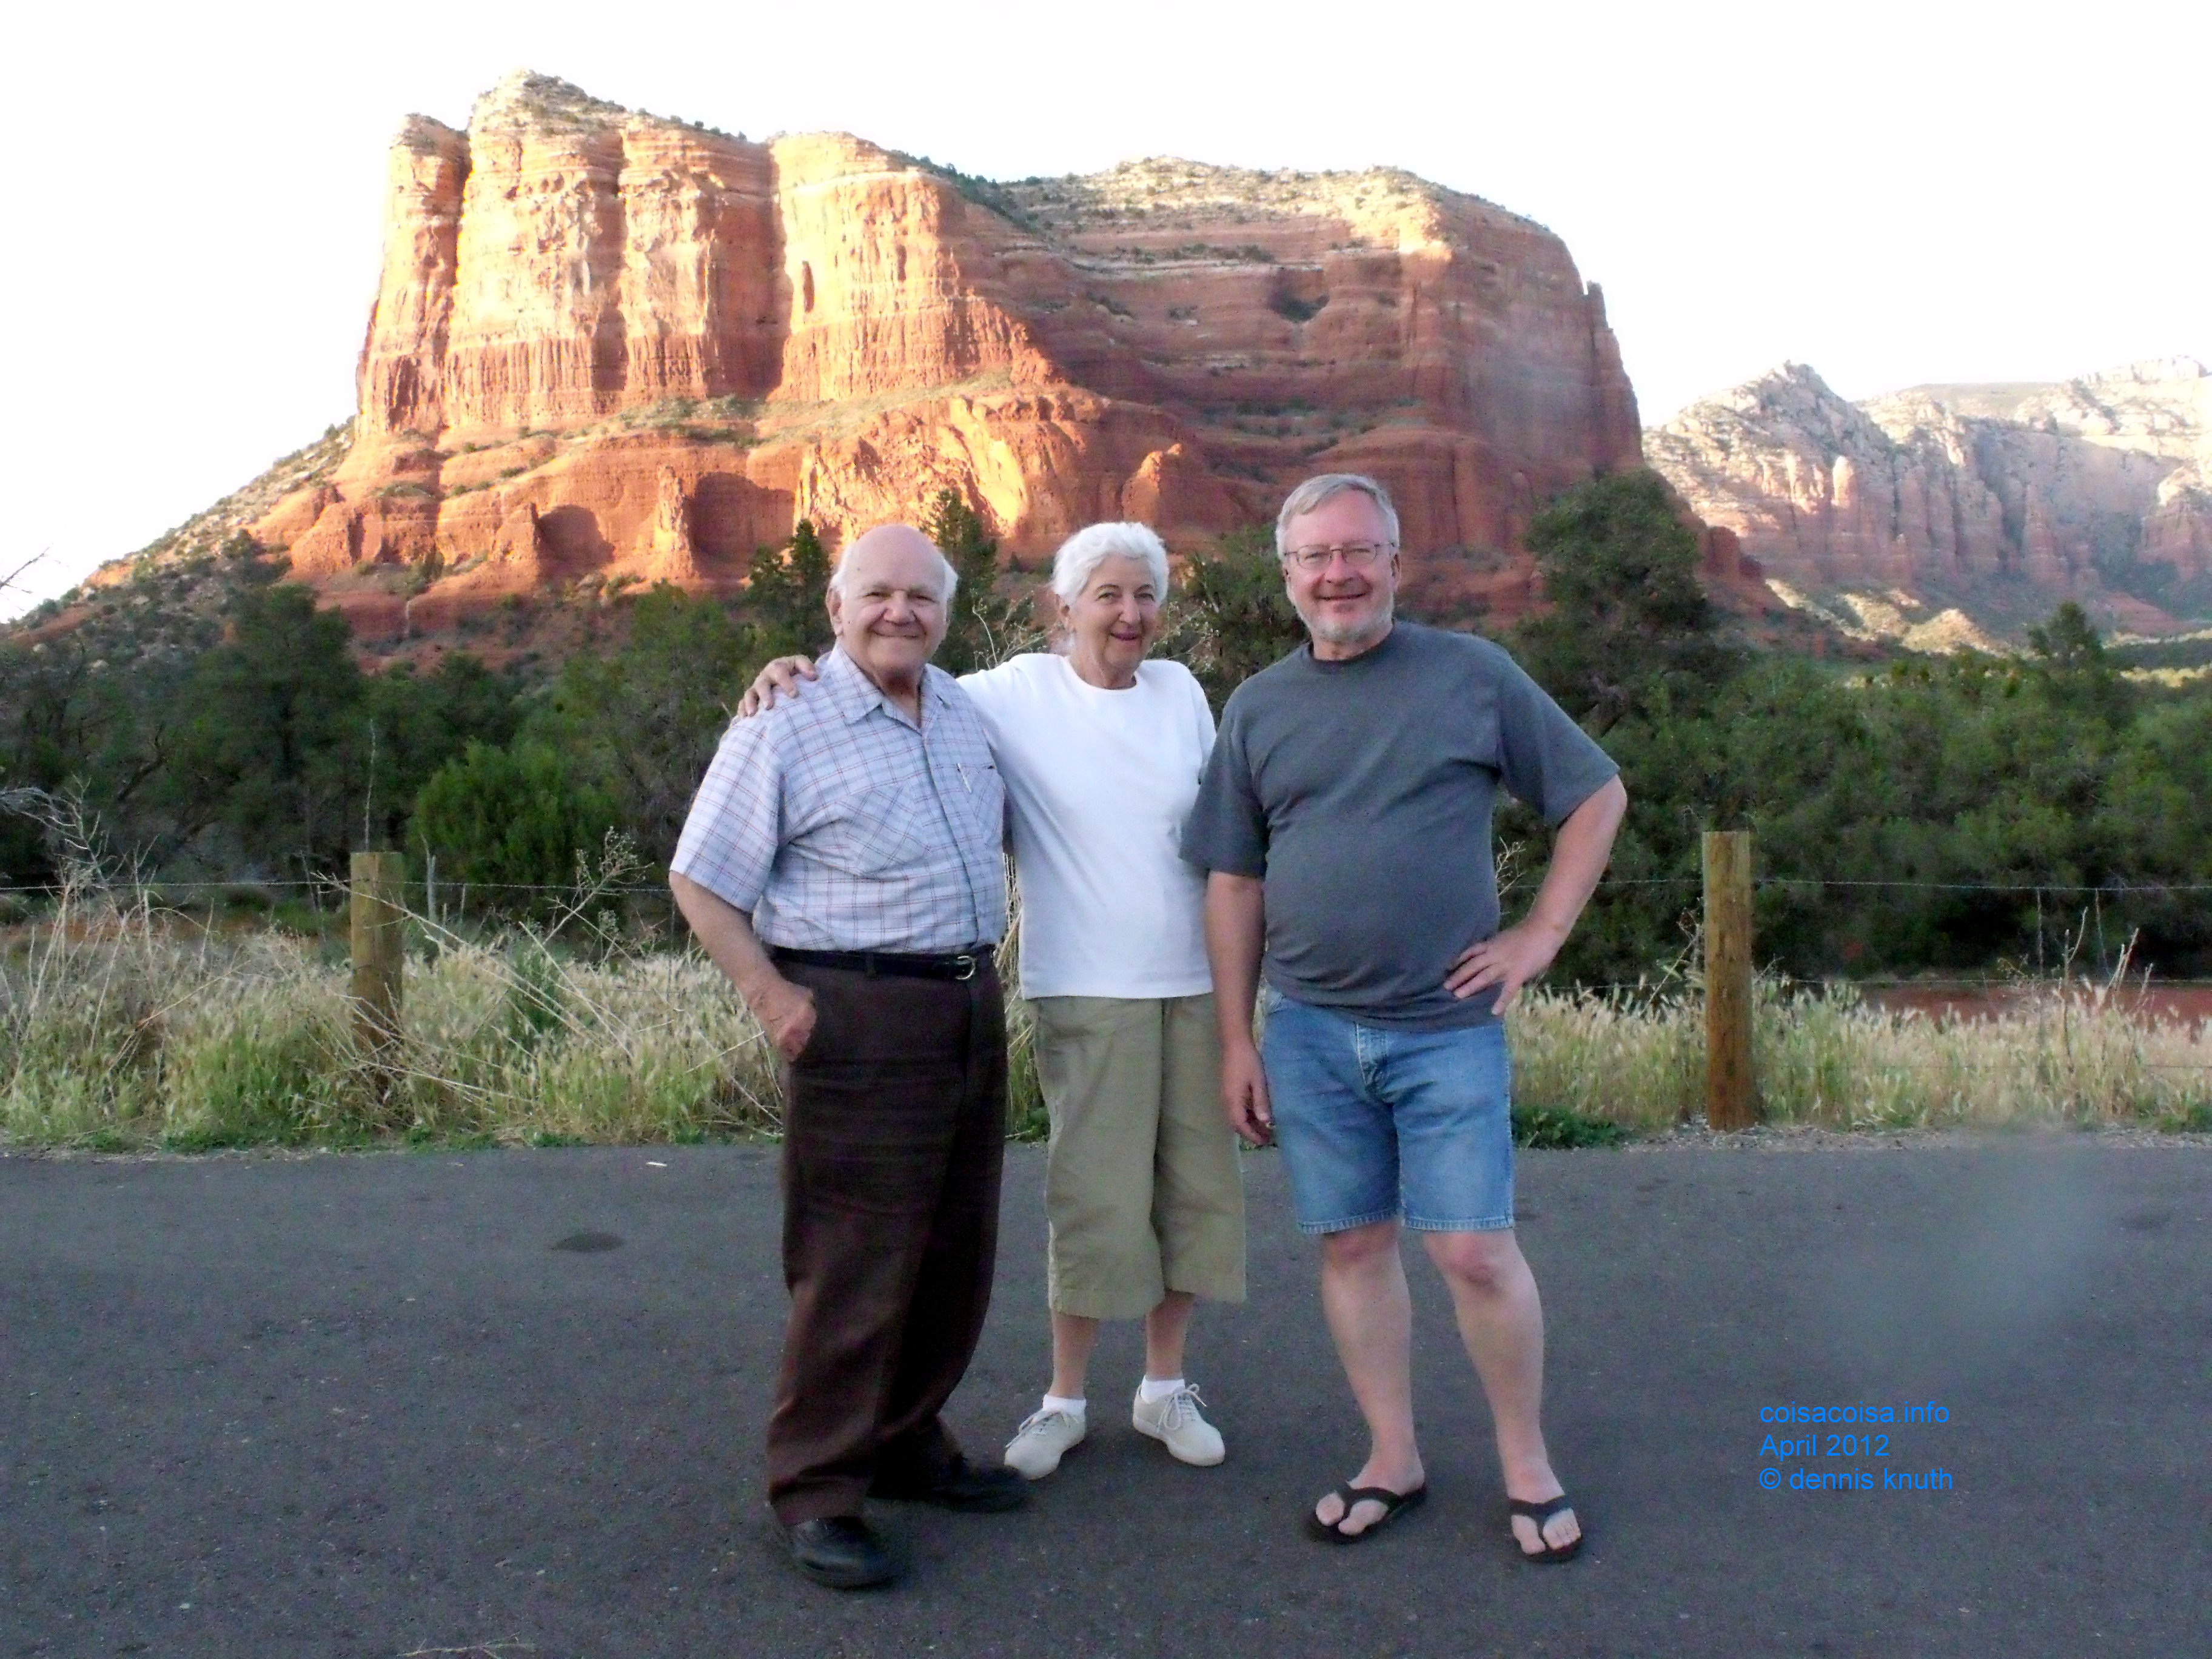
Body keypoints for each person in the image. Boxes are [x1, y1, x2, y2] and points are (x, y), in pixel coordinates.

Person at [741, 521, 1245, 1484]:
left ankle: (1165, 1386)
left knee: (1194, 1198)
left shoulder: (1183, 694)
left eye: (1145, 596)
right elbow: (883, 666)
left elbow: (1220, 840)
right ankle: (1063, 1399)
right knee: (1095, 1200)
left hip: (1194, 980)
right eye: (1107, 594)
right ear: (1063, 607)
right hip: (1086, 984)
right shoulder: (1009, 696)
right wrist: (789, 668)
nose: (1129, 614)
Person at [1181, 474, 1627, 1560]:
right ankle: (1394, 1456)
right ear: (1287, 575)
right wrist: (1238, 1039)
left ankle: (1527, 1461)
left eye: (1358, 551)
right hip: (1311, 1032)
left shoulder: (1472, 675)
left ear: (1395, 560)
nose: (1338, 573)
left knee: (1473, 1251)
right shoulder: (1258, 708)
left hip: (1447, 1027)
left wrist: (1539, 938)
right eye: (1315, 557)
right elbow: (1233, 882)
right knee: (1353, 1247)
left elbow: (1595, 796)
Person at [670, 523, 1027, 1592]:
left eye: (921, 596)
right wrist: (772, 995)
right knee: (854, 1263)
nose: (898, 613)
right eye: (876, 594)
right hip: (855, 1012)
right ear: (833, 608)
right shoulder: (785, 721)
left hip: (967, 1006)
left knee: (955, 1250)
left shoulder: (965, 708)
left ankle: (907, 1441)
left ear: (948, 612)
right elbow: (701, 880)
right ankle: (818, 1489)